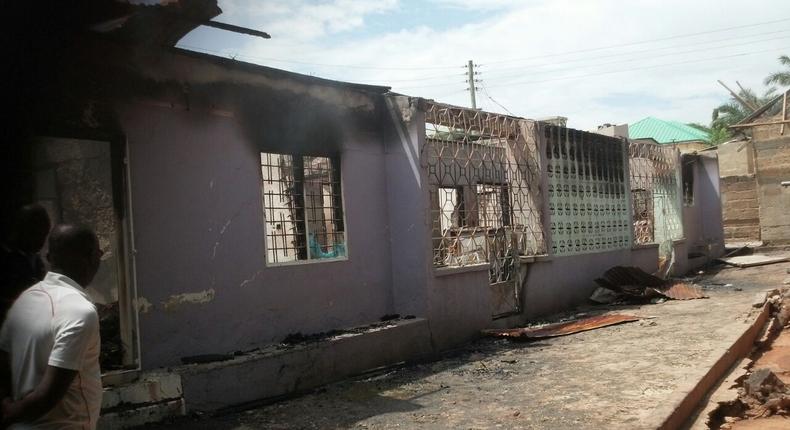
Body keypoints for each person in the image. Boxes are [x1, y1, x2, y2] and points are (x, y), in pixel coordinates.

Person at [0, 224, 103, 429]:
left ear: (48, 258)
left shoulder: (25, 300)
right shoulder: (80, 311)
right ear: (92, 257)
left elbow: (3, 362)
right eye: (99, 252)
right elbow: (49, 394)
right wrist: (8, 415)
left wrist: (6, 406)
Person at [0, 204, 51, 322]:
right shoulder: (5, 259)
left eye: (44, 235)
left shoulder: (37, 260)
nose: (41, 241)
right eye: (37, 234)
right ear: (22, 230)